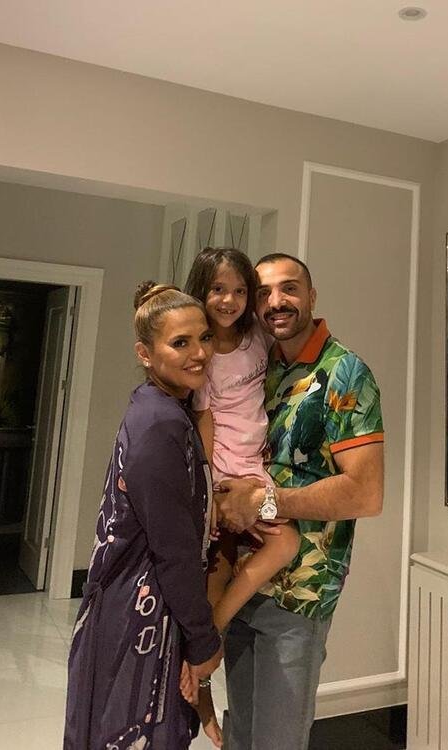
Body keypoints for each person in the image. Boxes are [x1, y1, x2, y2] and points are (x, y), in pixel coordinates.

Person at [214, 253, 385, 750]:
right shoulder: (259, 364)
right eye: (263, 292)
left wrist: (264, 502)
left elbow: (366, 493)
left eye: (289, 288)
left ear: (311, 296)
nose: (276, 301)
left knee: (276, 739)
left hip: (298, 594)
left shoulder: (344, 373)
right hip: (240, 577)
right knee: (241, 734)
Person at [64, 283, 222, 750]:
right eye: (180, 343)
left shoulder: (158, 408)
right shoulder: (161, 424)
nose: (199, 353)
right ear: (145, 354)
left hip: (135, 602)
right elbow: (173, 548)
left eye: (204, 338)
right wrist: (203, 641)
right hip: (141, 614)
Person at [183, 247, 300, 746]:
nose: (229, 300)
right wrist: (210, 489)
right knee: (226, 566)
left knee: (278, 544)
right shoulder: (204, 354)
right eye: (217, 290)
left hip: (256, 468)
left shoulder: (256, 336)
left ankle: (211, 633)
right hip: (230, 473)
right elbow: (205, 422)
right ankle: (203, 683)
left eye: (238, 291)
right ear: (201, 292)